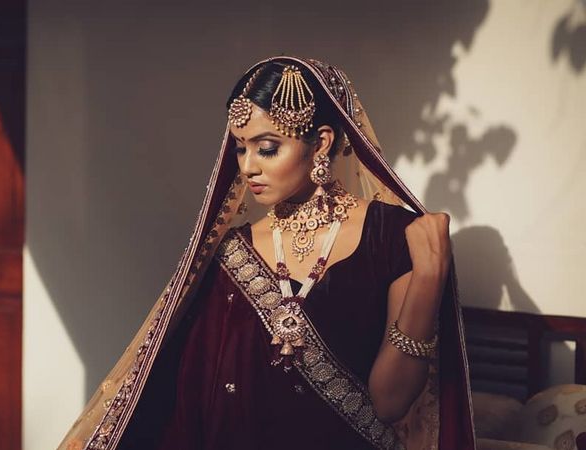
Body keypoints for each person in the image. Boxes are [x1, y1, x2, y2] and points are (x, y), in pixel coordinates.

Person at [58, 56, 476, 450]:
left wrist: (429, 276)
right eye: (241, 148)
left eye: (267, 147)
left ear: (321, 143)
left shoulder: (392, 235)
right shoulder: (233, 252)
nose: (248, 167)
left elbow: (390, 402)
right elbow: (196, 395)